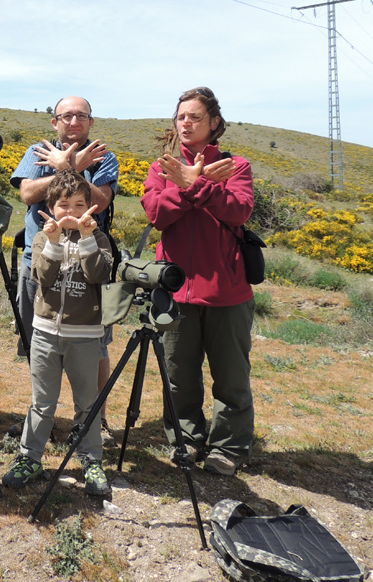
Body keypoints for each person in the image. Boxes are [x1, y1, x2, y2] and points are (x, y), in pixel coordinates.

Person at [141, 86, 256, 476]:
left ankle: (230, 446)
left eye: (194, 117)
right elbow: (156, 214)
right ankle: (186, 440)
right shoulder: (162, 167)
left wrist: (196, 184)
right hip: (175, 288)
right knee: (178, 375)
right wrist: (191, 184)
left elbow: (239, 211)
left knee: (231, 377)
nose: (185, 123)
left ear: (214, 123)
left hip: (227, 291)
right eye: (180, 116)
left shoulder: (235, 166)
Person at [10, 96, 119, 442]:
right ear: (54, 121)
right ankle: (42, 414)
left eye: (81, 116)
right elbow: (28, 193)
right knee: (37, 339)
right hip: (40, 260)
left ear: (91, 121)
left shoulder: (104, 155)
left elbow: (100, 200)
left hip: (88, 262)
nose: (74, 121)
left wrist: (68, 166)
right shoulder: (37, 151)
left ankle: (94, 421)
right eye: (66, 115)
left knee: (96, 344)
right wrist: (67, 166)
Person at [2, 171, 115, 496]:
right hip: (46, 335)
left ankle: (91, 460)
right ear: (51, 208)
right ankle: (30, 457)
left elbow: (98, 274)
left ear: (89, 207)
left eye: (80, 205)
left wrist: (88, 237)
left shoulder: (100, 239)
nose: (72, 212)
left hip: (85, 336)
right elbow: (43, 277)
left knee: (87, 403)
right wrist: (52, 243)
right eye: (64, 206)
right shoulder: (41, 239)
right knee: (42, 403)